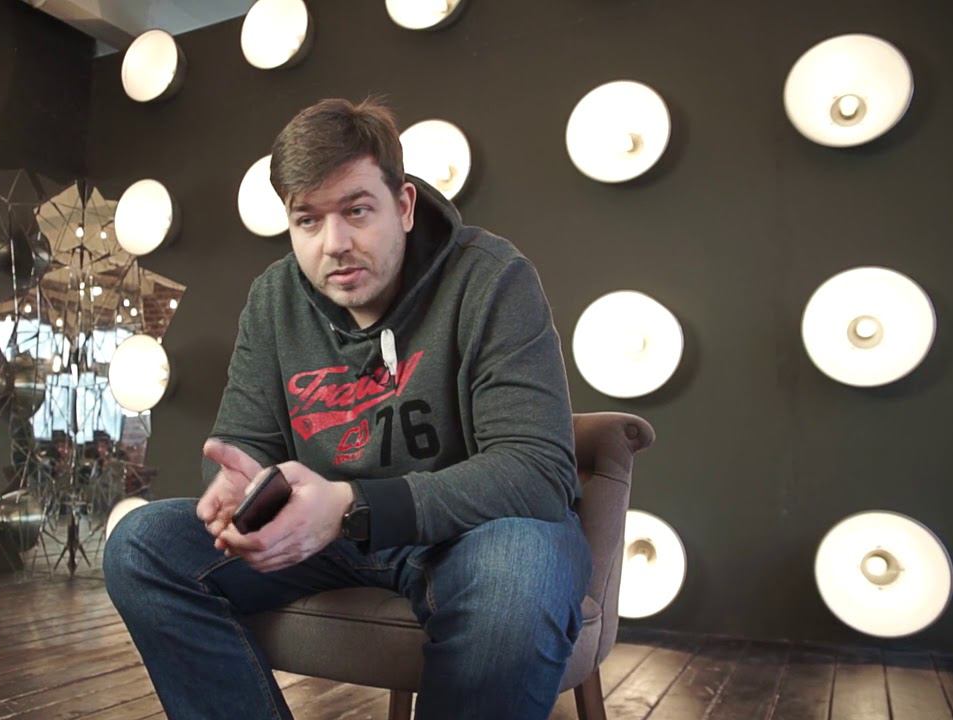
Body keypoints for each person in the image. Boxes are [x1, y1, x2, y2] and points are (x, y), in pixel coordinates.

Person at [104, 97, 592, 720]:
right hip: (328, 538)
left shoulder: (491, 278)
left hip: (469, 533)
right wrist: (242, 490)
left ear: (404, 206)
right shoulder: (274, 299)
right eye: (307, 220)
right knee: (141, 544)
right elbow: (244, 443)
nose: (334, 244)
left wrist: (352, 505)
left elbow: (536, 470)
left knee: (520, 571)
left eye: (357, 211)